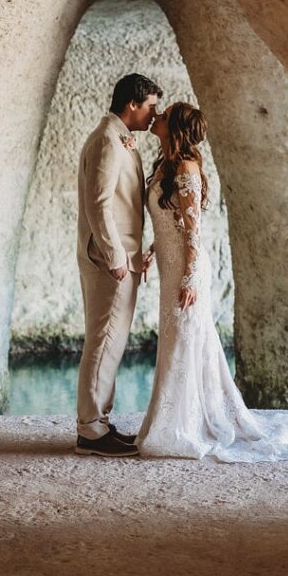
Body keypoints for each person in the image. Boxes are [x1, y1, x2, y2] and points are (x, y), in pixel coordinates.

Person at [137, 102, 288, 462]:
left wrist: (189, 277)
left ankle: (181, 427)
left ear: (176, 128)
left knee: (183, 338)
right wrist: (152, 250)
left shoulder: (185, 168)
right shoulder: (165, 165)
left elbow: (194, 230)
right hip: (170, 264)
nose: (158, 118)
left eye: (164, 116)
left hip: (187, 268)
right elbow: (172, 224)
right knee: (181, 339)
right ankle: (177, 420)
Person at [74, 73, 161, 457]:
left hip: (123, 258)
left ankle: (99, 421)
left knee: (112, 340)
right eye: (151, 106)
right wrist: (115, 258)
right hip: (112, 260)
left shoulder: (117, 137)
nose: (153, 114)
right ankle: (90, 431)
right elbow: (99, 204)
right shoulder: (108, 141)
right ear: (133, 103)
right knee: (105, 339)